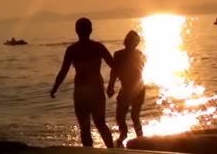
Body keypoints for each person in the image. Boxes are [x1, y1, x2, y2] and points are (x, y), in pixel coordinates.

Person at [50, 17, 115, 148]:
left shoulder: (72, 49)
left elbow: (63, 71)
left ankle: (90, 151)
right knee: (100, 123)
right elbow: (115, 66)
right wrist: (111, 85)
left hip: (81, 92)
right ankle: (111, 150)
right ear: (91, 30)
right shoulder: (98, 47)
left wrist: (55, 88)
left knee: (85, 127)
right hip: (95, 90)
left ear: (76, 31)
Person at [107, 30, 146, 146]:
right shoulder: (133, 54)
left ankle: (133, 136)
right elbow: (114, 72)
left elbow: (115, 72)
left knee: (129, 115)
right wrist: (111, 86)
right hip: (133, 88)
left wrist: (111, 85)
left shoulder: (126, 54)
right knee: (127, 115)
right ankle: (129, 136)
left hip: (134, 89)